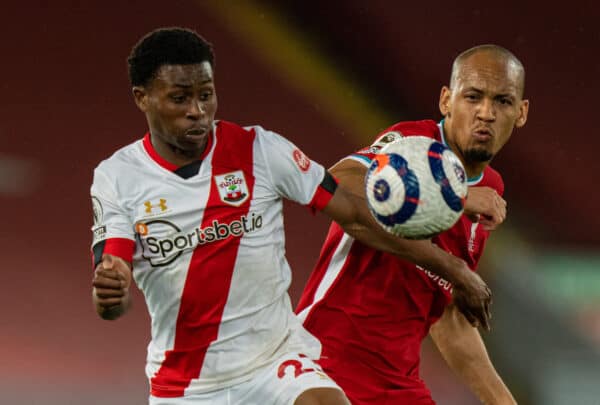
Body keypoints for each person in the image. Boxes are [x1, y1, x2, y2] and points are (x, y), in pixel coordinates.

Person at [90, 27, 492, 404]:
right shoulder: (117, 178)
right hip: (186, 384)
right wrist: (110, 292)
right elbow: (112, 283)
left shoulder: (261, 150)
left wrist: (454, 269)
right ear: (142, 97)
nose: (198, 111)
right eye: (180, 98)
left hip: (275, 362)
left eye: (206, 94)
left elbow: (355, 215)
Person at [297, 44, 529, 404]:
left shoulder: (491, 188)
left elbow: (446, 313)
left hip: (398, 385)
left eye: (502, 101)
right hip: (326, 362)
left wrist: (502, 401)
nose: (486, 113)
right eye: (473, 97)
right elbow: (335, 185)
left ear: (521, 113)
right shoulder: (412, 144)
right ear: (446, 101)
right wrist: (456, 198)